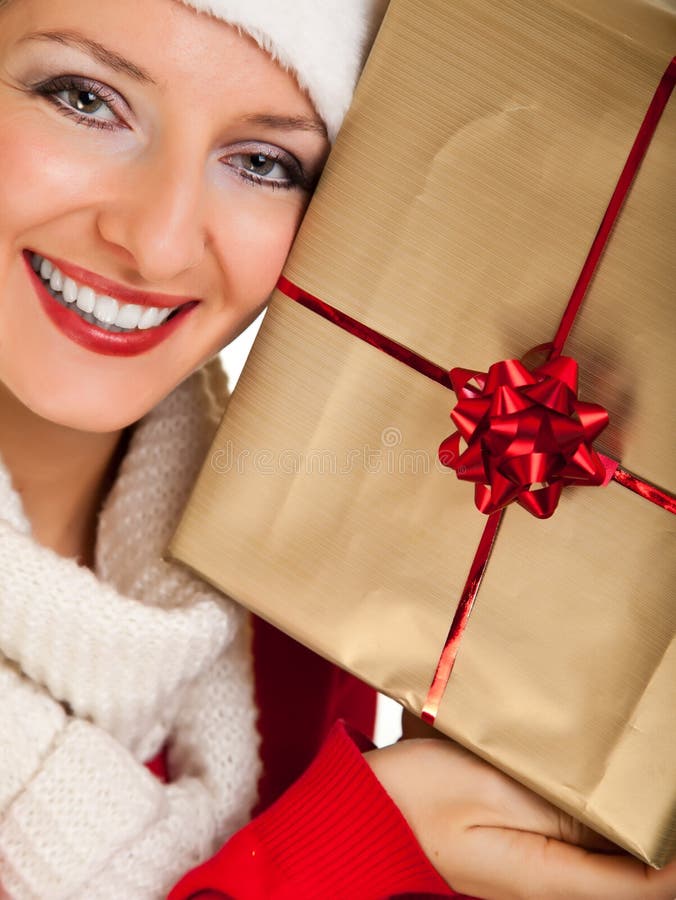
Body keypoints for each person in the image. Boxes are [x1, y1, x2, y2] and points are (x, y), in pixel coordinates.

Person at [0, 0, 675, 898]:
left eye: (263, 162)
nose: (158, 243)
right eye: (83, 99)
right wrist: (359, 844)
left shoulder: (293, 594)